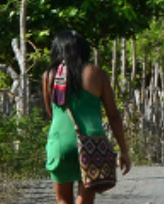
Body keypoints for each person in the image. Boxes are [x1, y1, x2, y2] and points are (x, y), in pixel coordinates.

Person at [41, 29, 131, 204]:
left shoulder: (49, 76)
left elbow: (51, 112)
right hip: (92, 142)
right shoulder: (96, 73)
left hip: (60, 142)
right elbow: (113, 115)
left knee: (62, 201)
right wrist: (124, 150)